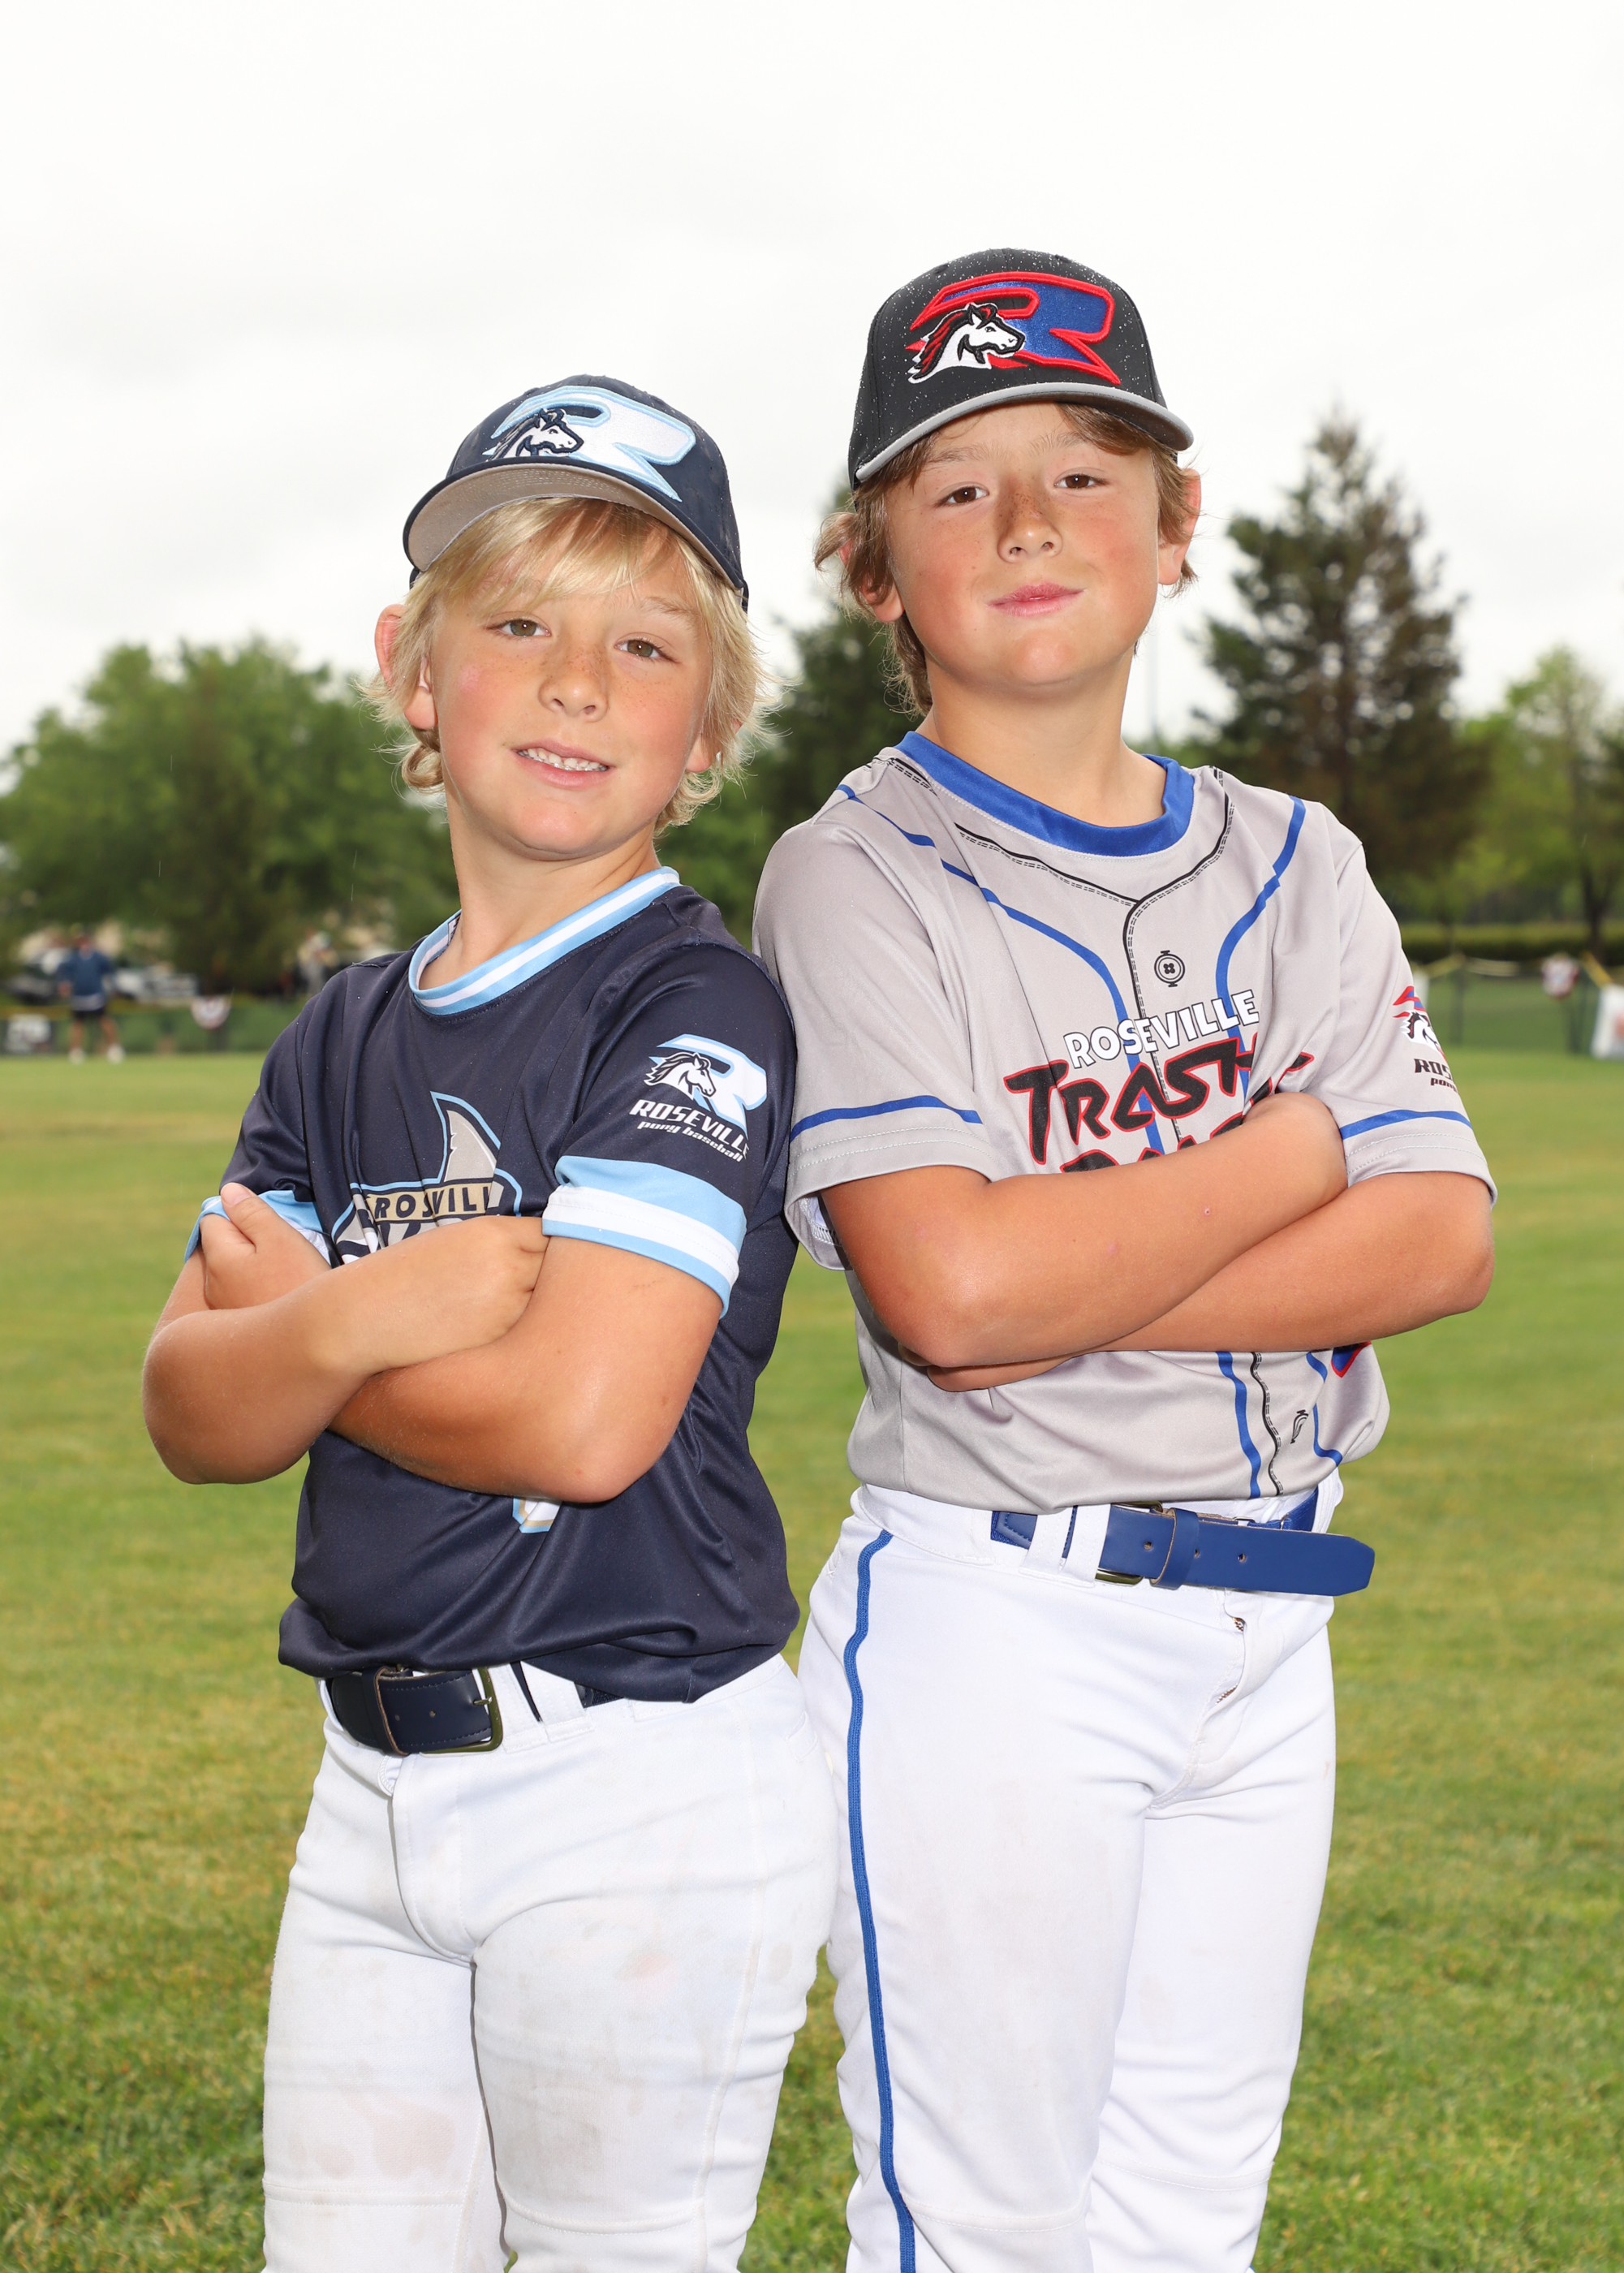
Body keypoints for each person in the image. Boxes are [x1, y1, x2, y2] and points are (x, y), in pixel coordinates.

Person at [753, 250, 1497, 2273]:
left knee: (1183, 2225)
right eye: (954, 483)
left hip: (1272, 1623)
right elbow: (950, 1302)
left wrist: (1042, 1267)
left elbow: (1437, 1235)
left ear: (1175, 528)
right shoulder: (849, 873)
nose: (1024, 520)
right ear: (872, 569)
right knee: (980, 2230)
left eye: (1084, 472)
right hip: (1005, 1628)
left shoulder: (1297, 856)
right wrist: (1294, 1145)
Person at [142, 377, 837, 2273]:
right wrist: (373, 1314)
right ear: (412, 667)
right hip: (368, 1789)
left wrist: (311, 1338)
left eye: (645, 644)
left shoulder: (686, 1002)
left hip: (631, 1787)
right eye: (517, 622)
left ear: (709, 726)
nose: (577, 681)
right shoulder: (341, 1030)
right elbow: (193, 1407)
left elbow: (579, 1424)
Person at [57, 929, 124, 1061]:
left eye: (85, 940)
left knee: (105, 1020)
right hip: (79, 997)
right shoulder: (73, 959)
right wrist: (64, 986)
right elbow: (64, 976)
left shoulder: (99, 958)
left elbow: (110, 972)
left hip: (96, 996)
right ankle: (75, 1051)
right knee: (78, 1023)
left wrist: (114, 987)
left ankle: (114, 1048)